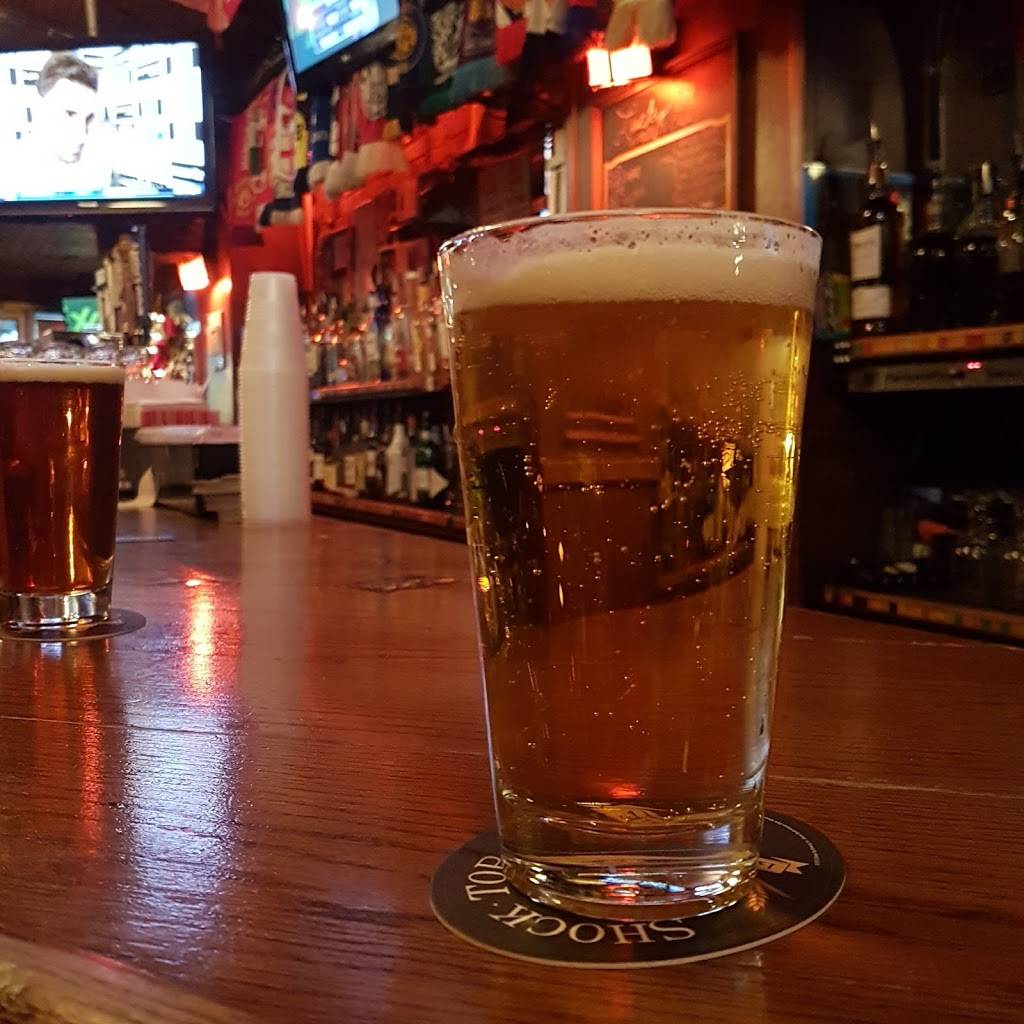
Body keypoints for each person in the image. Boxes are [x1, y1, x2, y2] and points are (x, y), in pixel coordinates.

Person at [2, 52, 113, 199]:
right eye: (69, 114)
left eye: (88, 119)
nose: (81, 136)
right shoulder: (8, 176)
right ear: (39, 108)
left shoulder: (97, 171)